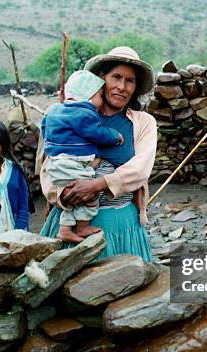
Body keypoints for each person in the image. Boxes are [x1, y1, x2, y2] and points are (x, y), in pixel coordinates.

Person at [38, 46, 156, 261]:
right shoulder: (69, 115)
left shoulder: (143, 123)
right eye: (116, 77)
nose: (122, 86)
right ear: (102, 79)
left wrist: (96, 184)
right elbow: (48, 166)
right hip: (70, 220)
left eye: (130, 80)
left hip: (120, 222)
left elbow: (140, 169)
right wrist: (63, 194)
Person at [42, 70, 124, 243]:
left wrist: (53, 144)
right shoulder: (84, 113)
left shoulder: (54, 111)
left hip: (56, 164)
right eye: (100, 96)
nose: (101, 103)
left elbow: (44, 127)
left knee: (72, 197)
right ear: (90, 96)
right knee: (89, 194)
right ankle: (82, 226)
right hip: (73, 164)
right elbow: (97, 133)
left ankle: (64, 229)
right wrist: (115, 136)